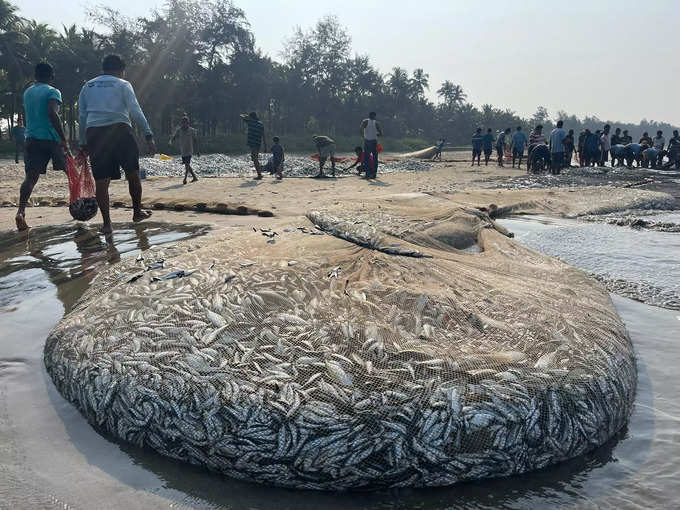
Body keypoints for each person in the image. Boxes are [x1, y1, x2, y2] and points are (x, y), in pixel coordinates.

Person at [78, 54, 155, 235]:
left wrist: (83, 143)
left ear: (103, 69)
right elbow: (135, 110)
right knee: (133, 174)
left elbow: (82, 116)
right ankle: (136, 212)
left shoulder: (87, 86)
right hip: (119, 130)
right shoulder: (123, 84)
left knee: (102, 181)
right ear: (121, 70)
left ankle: (107, 224)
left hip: (95, 133)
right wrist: (148, 134)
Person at [16, 62, 70, 231]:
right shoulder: (52, 91)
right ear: (51, 77)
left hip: (31, 139)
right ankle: (80, 204)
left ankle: (21, 212)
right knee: (70, 172)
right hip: (51, 139)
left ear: (36, 76)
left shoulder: (28, 92)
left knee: (30, 178)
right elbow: (52, 114)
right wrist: (63, 138)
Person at [170, 115, 199, 185]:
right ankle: (194, 177)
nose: (184, 124)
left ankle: (185, 179)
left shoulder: (191, 130)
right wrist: (170, 141)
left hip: (189, 150)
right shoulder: (179, 130)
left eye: (185, 123)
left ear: (188, 123)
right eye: (183, 123)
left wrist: (197, 151)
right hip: (183, 151)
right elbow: (174, 137)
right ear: (181, 123)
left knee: (187, 164)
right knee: (187, 165)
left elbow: (195, 141)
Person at [240, 111, 266, 180]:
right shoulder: (260, 124)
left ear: (251, 117)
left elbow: (241, 115)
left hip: (253, 143)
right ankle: (259, 174)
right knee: (254, 157)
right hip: (258, 143)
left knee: (254, 158)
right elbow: (263, 136)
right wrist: (265, 146)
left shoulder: (250, 122)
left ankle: (259, 175)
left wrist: (247, 117)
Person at [360, 111, 382, 179]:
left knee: (367, 158)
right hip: (374, 142)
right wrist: (375, 134)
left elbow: (361, 129)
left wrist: (364, 137)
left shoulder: (365, 121)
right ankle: (374, 174)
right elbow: (380, 133)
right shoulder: (376, 123)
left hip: (367, 141)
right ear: (374, 116)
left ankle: (367, 174)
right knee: (375, 158)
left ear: (369, 115)